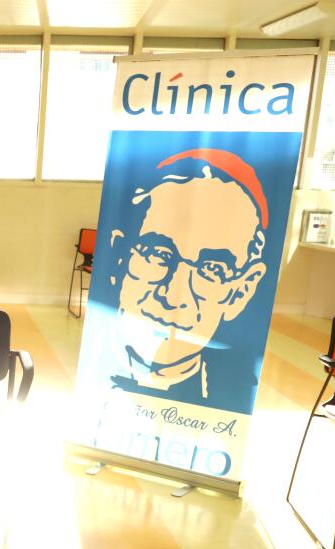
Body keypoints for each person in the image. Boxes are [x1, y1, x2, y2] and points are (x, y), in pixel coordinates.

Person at [105, 148, 270, 415]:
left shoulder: (234, 394)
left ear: (241, 291)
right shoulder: (92, 367)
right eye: (159, 255)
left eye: (212, 269)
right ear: (118, 256)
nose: (172, 297)